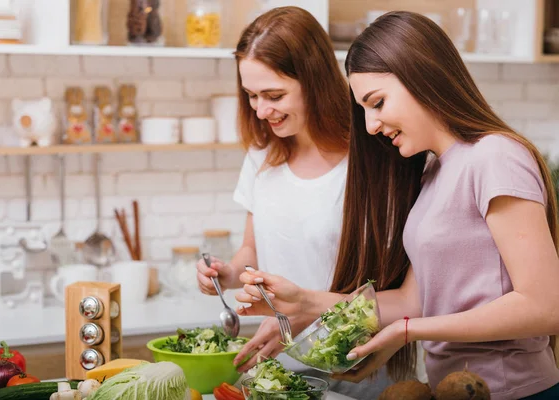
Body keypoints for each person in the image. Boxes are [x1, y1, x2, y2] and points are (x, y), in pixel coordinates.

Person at [236, 10, 559, 400]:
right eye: (364, 109)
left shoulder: (495, 156)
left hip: (514, 391)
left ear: (421, 77)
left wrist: (409, 331)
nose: (371, 125)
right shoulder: (435, 170)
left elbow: (545, 305)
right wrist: (307, 304)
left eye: (378, 103)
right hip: (453, 390)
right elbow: (412, 301)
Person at [195, 6, 394, 398]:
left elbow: (389, 288)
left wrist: (305, 318)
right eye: (251, 95)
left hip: (356, 369)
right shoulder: (261, 156)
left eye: (274, 95)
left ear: (315, 81)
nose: (261, 110)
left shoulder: (371, 158)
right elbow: (252, 250)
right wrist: (227, 273)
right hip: (278, 370)